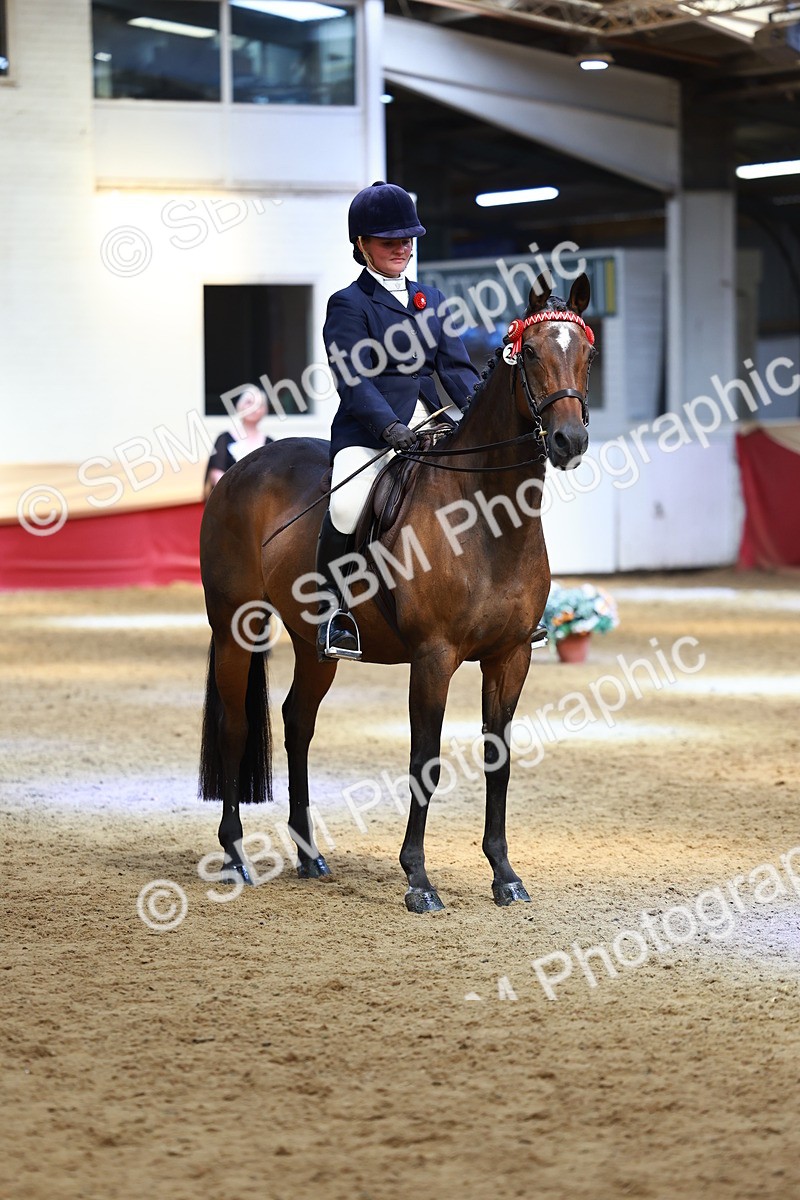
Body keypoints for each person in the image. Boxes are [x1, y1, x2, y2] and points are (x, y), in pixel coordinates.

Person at [316, 181, 481, 661]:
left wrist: (478, 416)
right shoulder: (349, 303)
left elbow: (457, 371)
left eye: (407, 238)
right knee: (347, 505)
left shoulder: (432, 299)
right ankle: (333, 611)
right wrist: (388, 428)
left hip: (433, 421)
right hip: (371, 430)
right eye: (389, 240)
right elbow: (353, 379)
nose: (401, 247)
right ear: (362, 243)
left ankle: (508, 603)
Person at [203, 384, 273, 501]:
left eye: (259, 405)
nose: (253, 408)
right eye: (249, 402)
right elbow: (216, 473)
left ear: (265, 410)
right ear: (239, 406)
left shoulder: (271, 444)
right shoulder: (224, 439)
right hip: (228, 501)